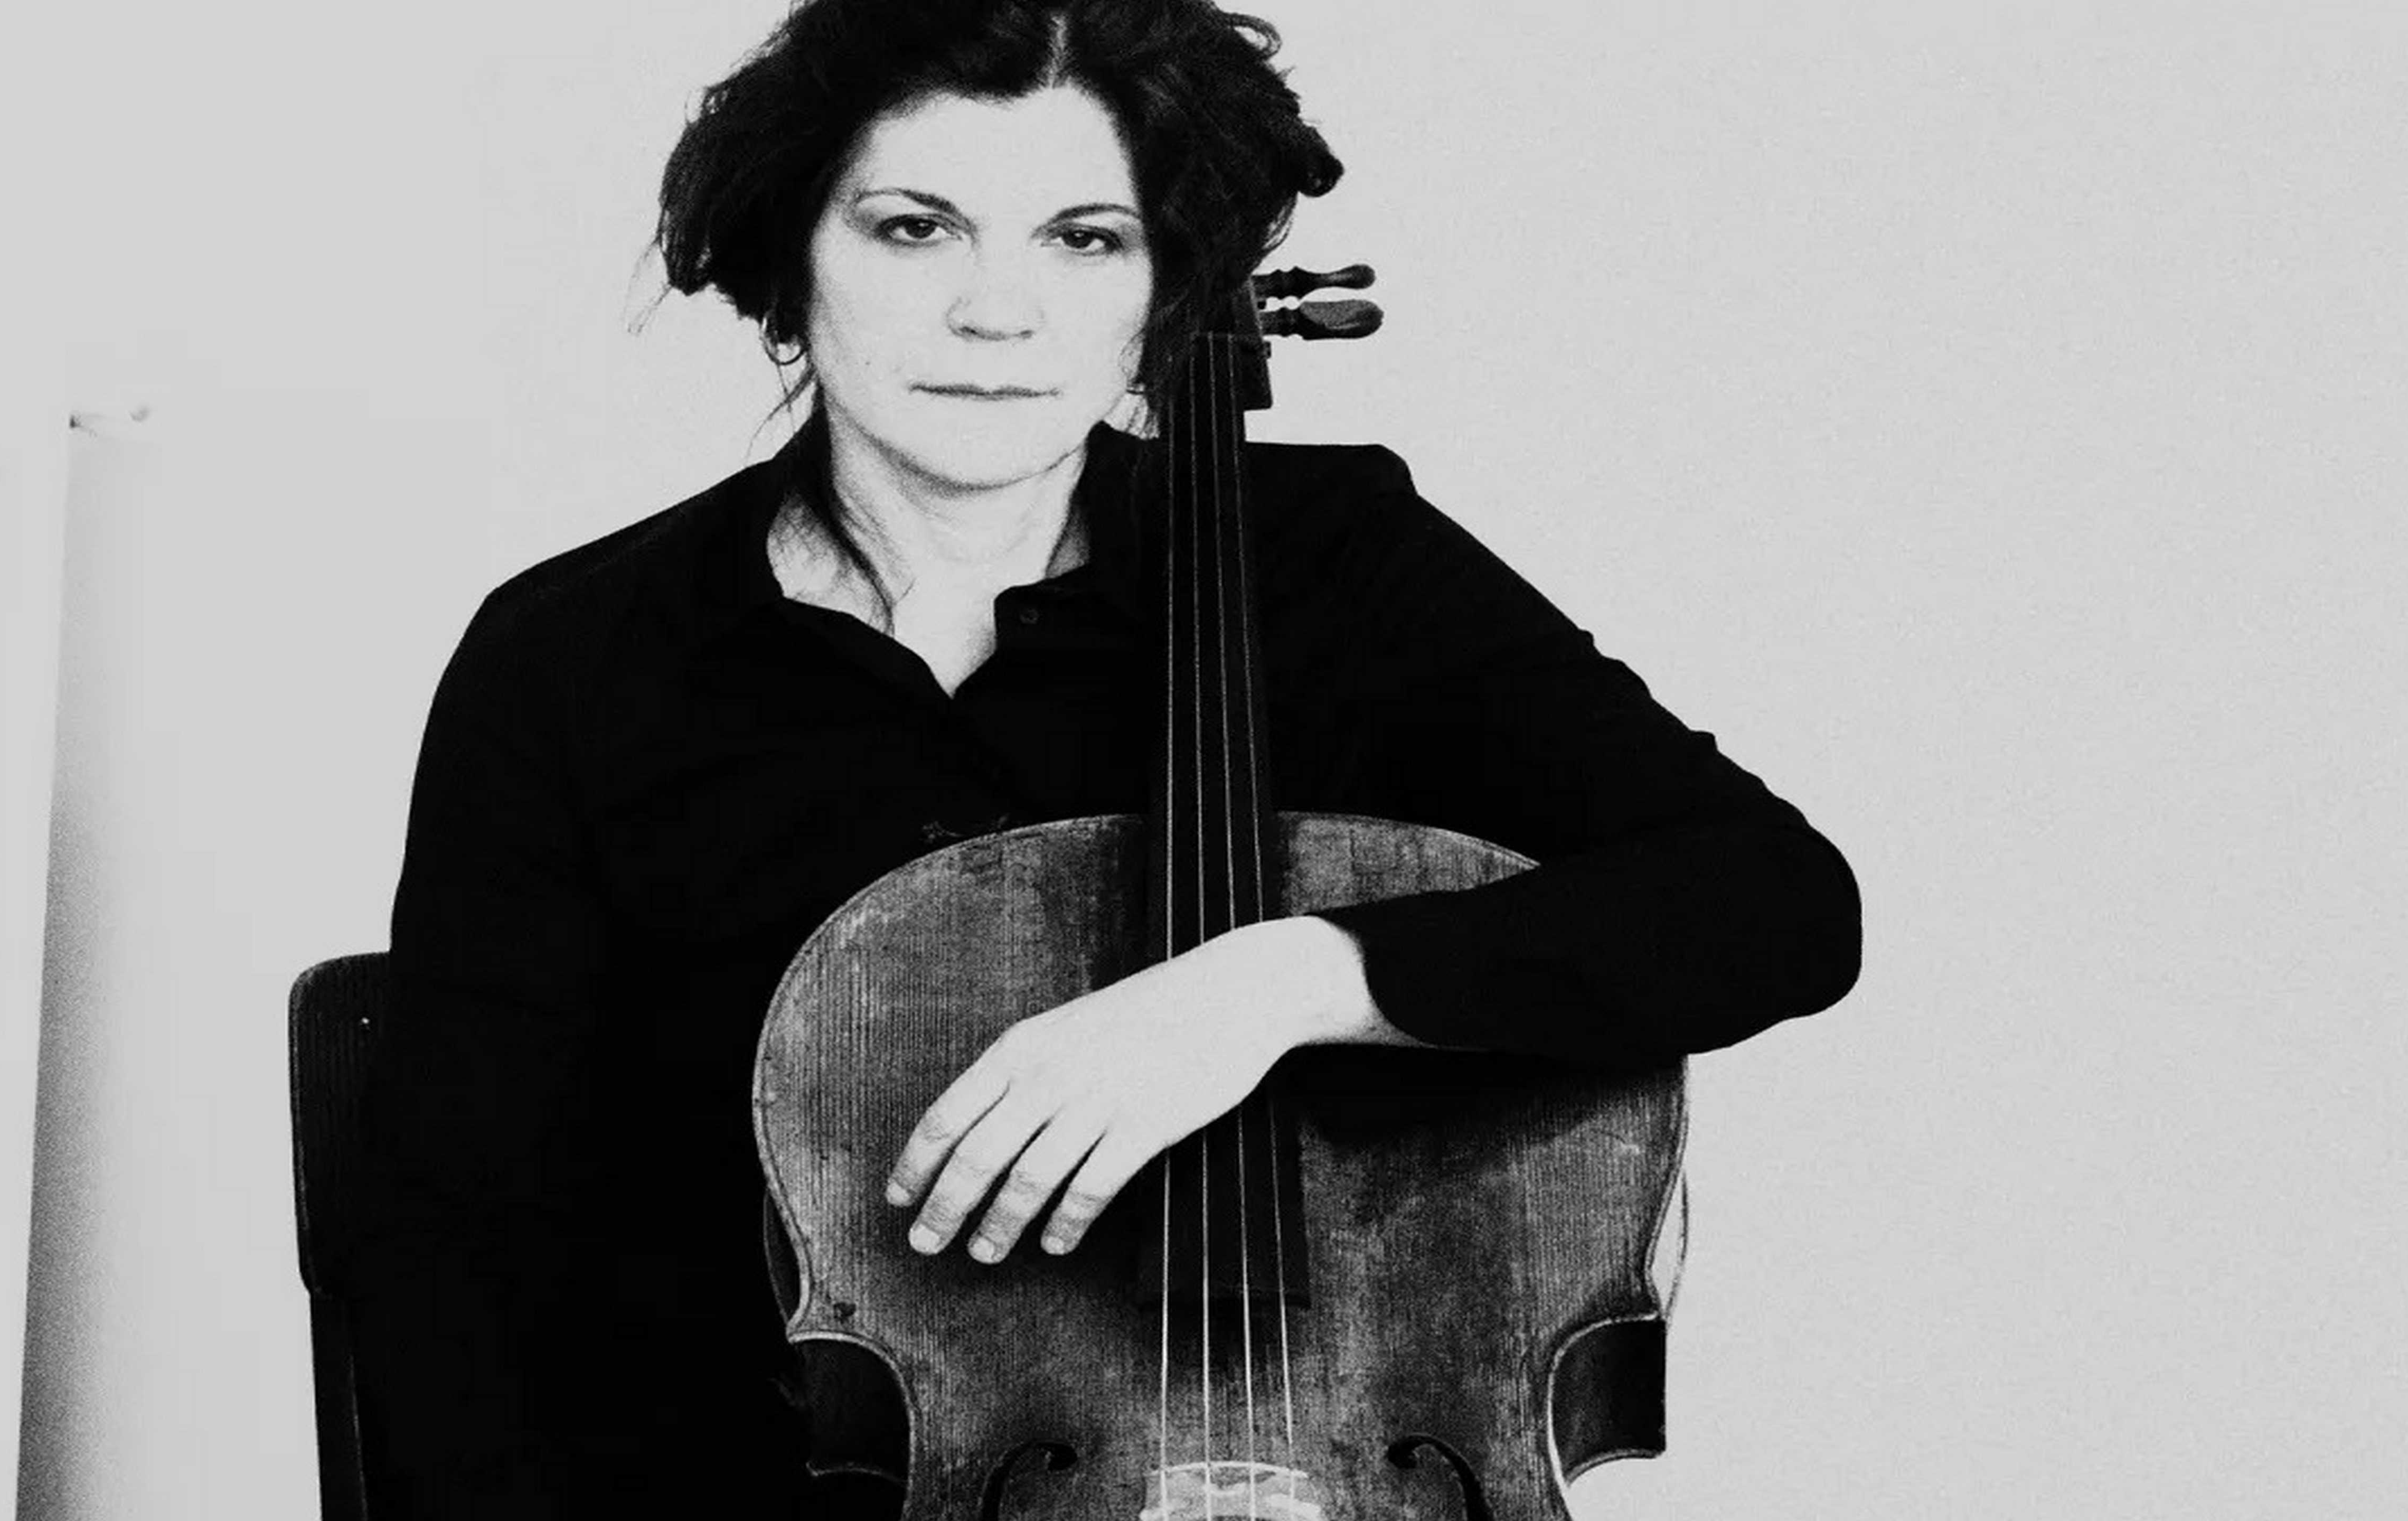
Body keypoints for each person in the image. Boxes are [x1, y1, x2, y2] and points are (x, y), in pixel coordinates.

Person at [346, 0, 1862, 1515]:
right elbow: (452, 1264)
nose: (998, 312)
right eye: (914, 228)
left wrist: (1275, 986)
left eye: (1085, 240)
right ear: (788, 259)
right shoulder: (578, 656)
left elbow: (1774, 902)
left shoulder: (1337, 569)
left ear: (1165, 286)